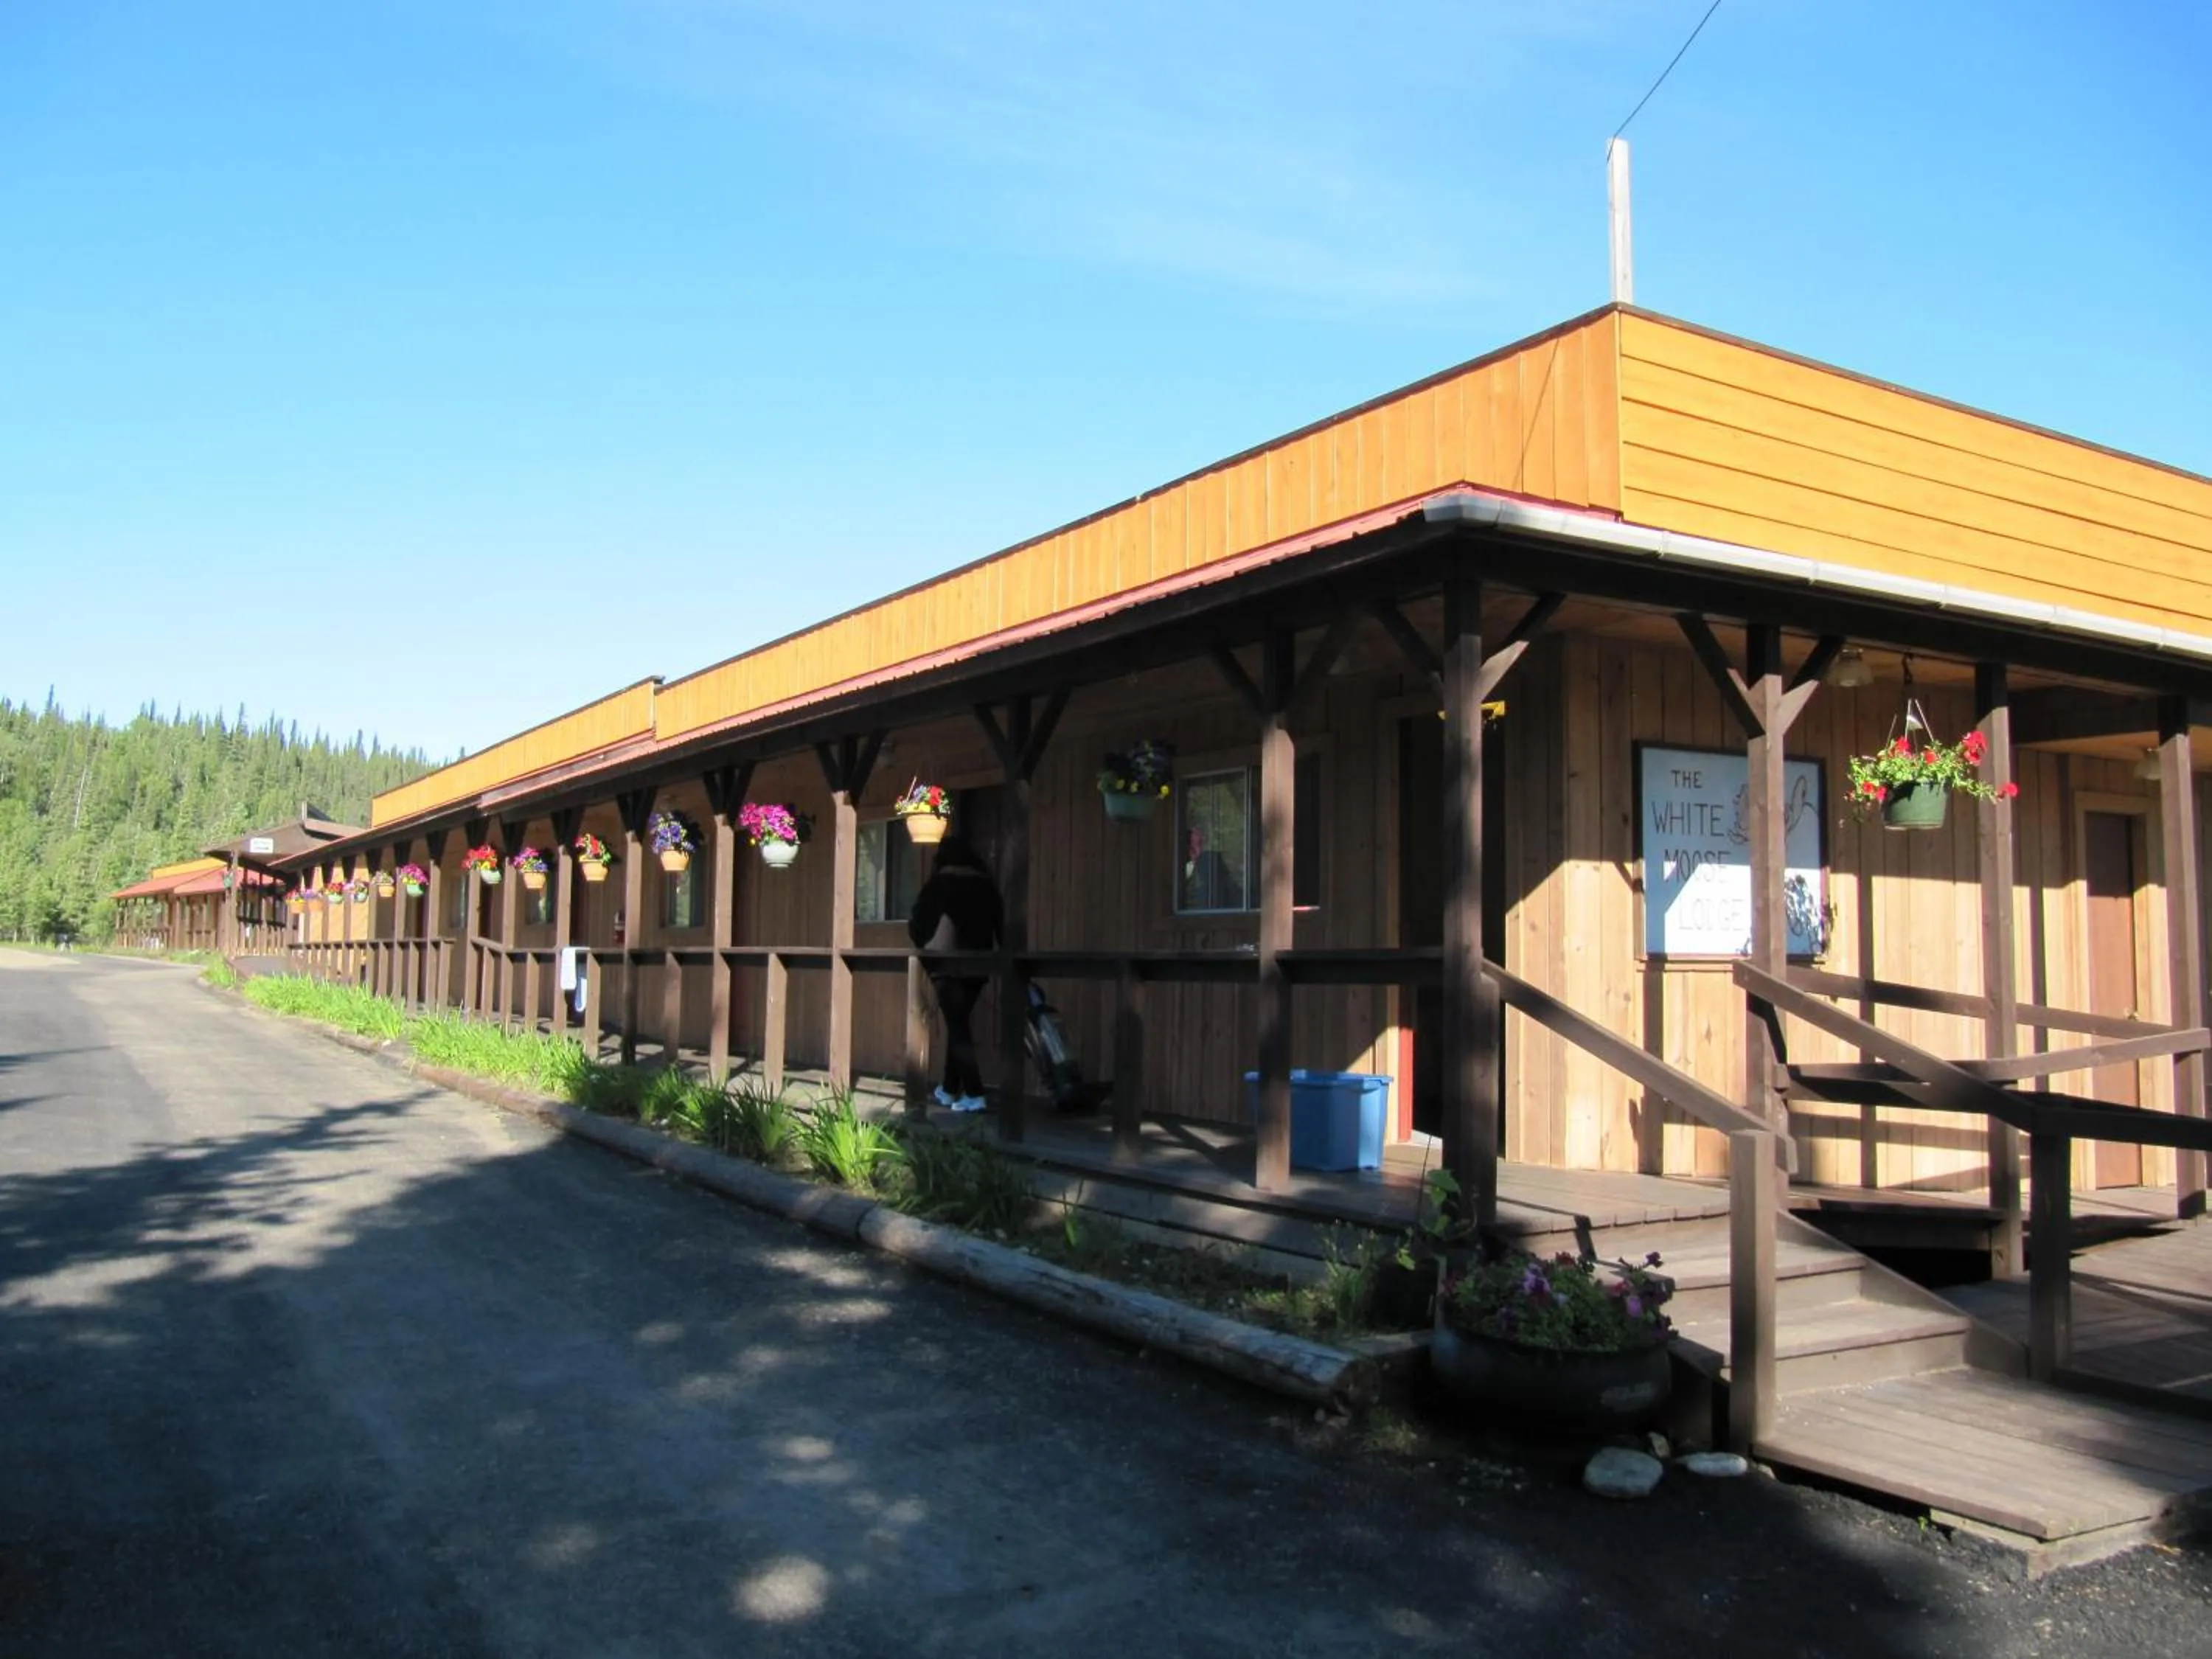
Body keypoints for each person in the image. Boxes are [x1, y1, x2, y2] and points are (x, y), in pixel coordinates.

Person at [906, 836, 1004, 1113]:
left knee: (958, 1026)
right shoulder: (987, 886)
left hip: (945, 966)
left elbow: (918, 925)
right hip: (979, 965)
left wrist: (923, 943)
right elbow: (1002, 927)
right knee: (958, 1024)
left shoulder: (937, 886)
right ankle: (949, 1088)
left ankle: (974, 1092)